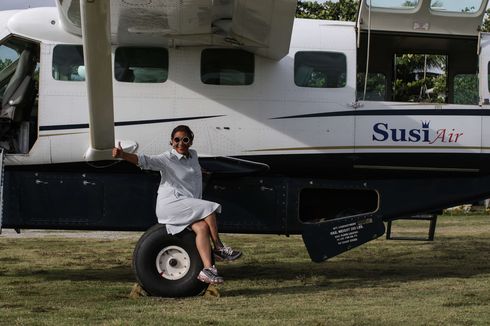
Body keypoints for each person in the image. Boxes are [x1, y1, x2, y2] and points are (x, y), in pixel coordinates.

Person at [112, 125, 241, 285]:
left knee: (202, 228)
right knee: (210, 209)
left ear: (191, 141)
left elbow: (190, 171)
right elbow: (145, 161)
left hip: (187, 204)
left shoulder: (193, 155)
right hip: (172, 204)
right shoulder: (167, 158)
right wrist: (123, 154)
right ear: (171, 142)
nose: (181, 143)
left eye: (185, 139)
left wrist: (201, 172)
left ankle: (208, 270)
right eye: (177, 140)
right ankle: (219, 248)